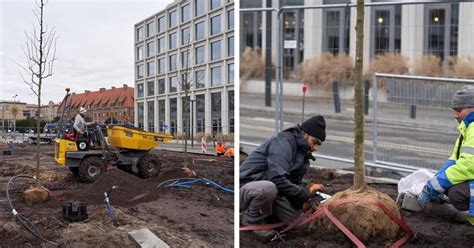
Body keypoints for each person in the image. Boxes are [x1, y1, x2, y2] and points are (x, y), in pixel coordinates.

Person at [240, 115, 327, 225]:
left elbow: (291, 183)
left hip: (272, 192)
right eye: (315, 142)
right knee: (267, 188)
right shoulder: (283, 143)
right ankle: (250, 223)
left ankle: (266, 218)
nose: (316, 148)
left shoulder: (302, 155)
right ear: (304, 133)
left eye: (319, 144)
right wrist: (304, 193)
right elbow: (276, 179)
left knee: (299, 224)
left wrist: (302, 202)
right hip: (246, 188)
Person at [418, 85, 474, 225]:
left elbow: (468, 166)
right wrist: (436, 182)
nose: (455, 115)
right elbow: (454, 160)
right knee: (451, 187)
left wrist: (434, 187)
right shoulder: (468, 127)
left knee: (457, 193)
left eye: (459, 110)